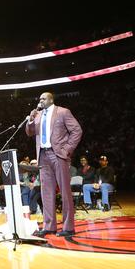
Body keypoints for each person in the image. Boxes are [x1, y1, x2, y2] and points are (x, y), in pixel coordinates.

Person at [26, 91, 83, 237]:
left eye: (43, 98)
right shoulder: (37, 115)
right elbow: (30, 132)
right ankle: (49, 226)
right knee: (46, 193)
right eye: (39, 98)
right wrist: (31, 120)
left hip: (58, 155)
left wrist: (67, 150)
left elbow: (77, 130)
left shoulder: (63, 112)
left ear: (51, 100)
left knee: (64, 192)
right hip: (43, 155)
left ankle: (68, 228)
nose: (40, 100)